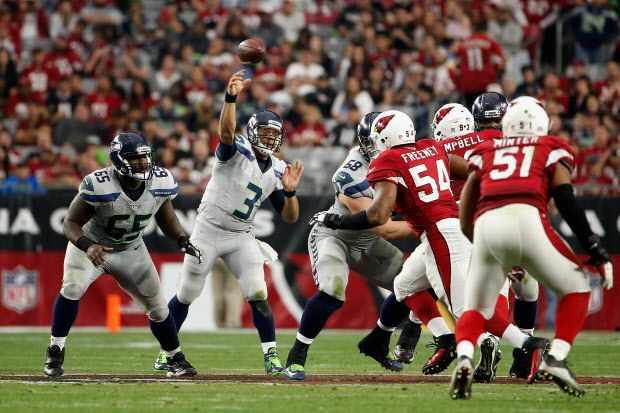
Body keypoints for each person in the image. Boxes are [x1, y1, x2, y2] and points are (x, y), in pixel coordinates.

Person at [312, 110, 548, 380]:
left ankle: (530, 346)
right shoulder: (430, 147)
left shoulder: (388, 159)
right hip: (450, 227)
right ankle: (446, 338)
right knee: (404, 285)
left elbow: (378, 215)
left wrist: (335, 221)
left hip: (443, 234)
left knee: (465, 311)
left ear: (385, 137)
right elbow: (474, 170)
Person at [450, 100, 613, 399]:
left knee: (475, 307)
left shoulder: (486, 151)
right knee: (577, 287)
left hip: (486, 225)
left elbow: (465, 217)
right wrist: (595, 249)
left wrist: (488, 248)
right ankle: (557, 358)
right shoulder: (550, 146)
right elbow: (565, 199)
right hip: (527, 217)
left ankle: (463, 358)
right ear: (542, 125)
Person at [155, 70, 304, 375]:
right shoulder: (236, 150)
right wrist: (231, 98)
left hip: (241, 235)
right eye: (264, 134)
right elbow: (225, 133)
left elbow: (290, 216)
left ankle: (271, 355)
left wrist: (290, 192)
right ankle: (165, 352)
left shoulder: (278, 169)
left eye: (273, 136)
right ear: (251, 133)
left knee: (258, 292)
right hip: (207, 231)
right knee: (187, 293)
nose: (269, 140)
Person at [44, 132, 201, 378]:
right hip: (92, 248)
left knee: (159, 310)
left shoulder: (160, 181)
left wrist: (181, 239)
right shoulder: (98, 183)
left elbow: (166, 216)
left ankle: (174, 358)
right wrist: (87, 245)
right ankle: (55, 349)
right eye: (135, 159)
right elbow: (70, 222)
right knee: (72, 288)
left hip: (131, 248)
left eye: (145, 157)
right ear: (118, 160)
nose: (142, 163)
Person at [284, 112, 418, 381]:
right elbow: (385, 228)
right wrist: (428, 223)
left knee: (414, 284)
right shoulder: (351, 174)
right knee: (333, 290)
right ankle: (296, 356)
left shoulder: (408, 160)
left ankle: (382, 342)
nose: (375, 148)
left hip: (369, 242)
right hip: (337, 235)